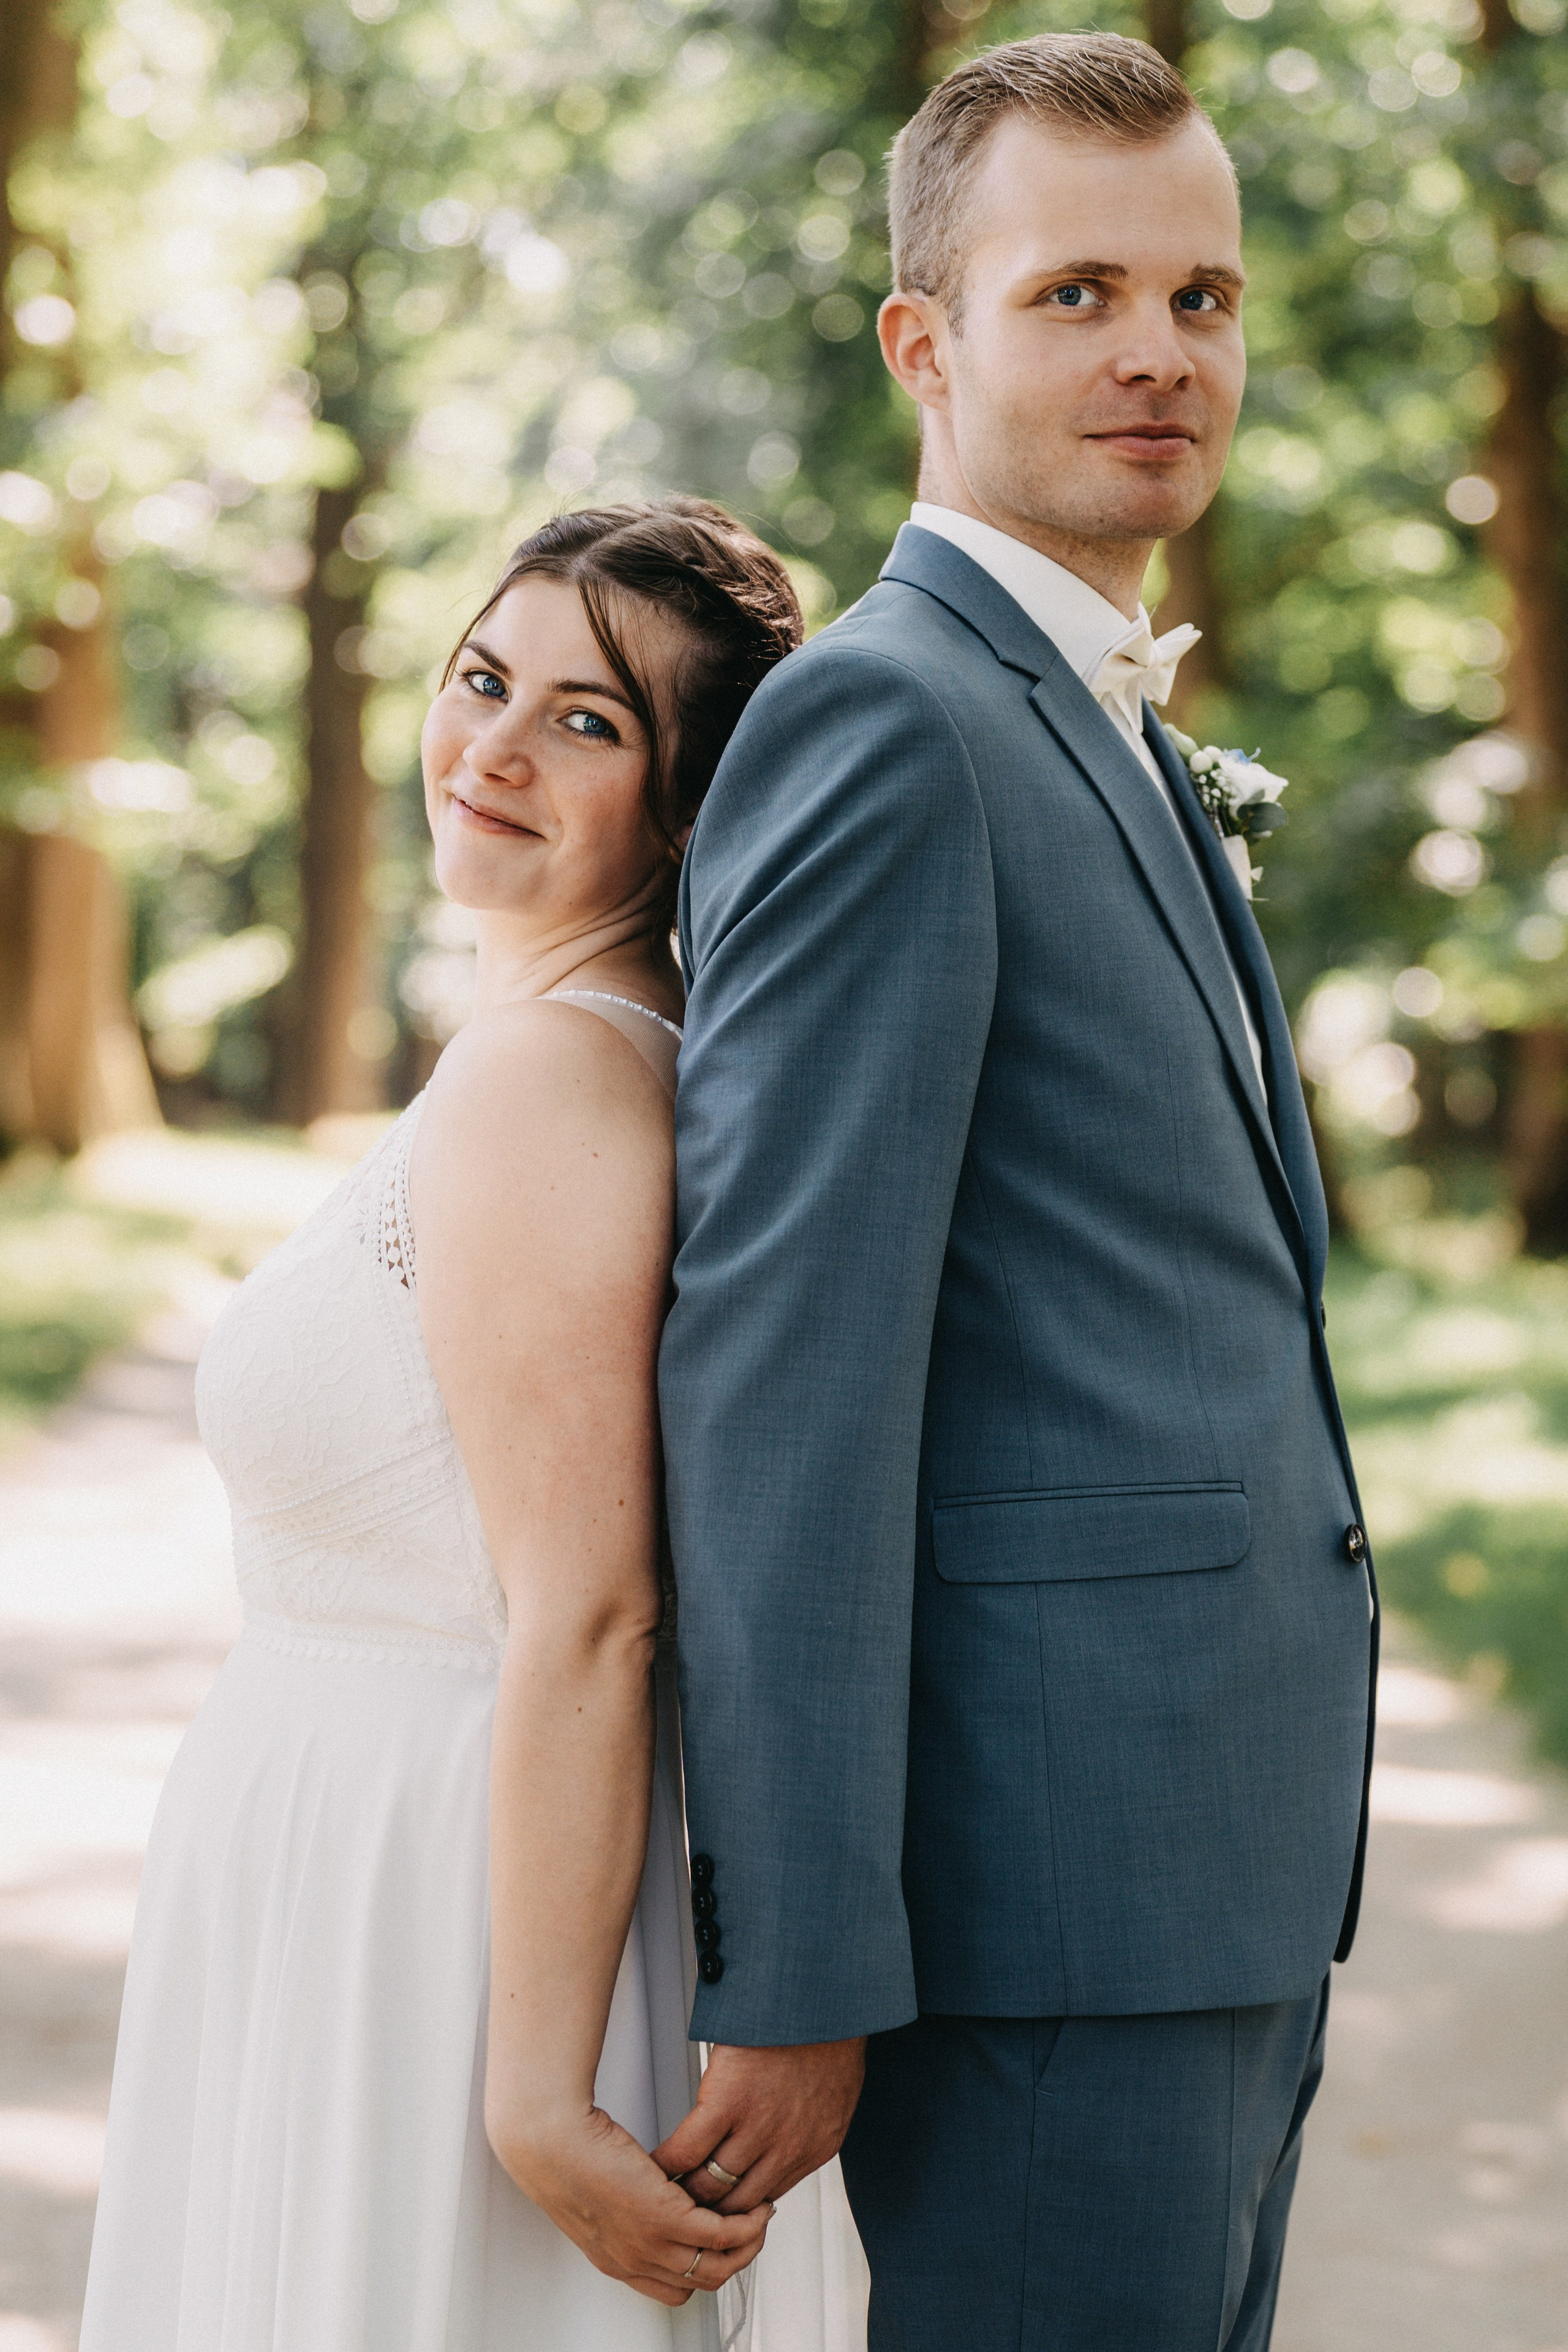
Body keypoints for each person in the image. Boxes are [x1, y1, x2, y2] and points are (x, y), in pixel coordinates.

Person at [655, 34, 1376, 2351]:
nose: (1163, 350)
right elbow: (786, 1380)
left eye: (1206, 295)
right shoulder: (896, 720)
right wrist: (806, 1957)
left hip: (1213, 1873)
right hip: (1048, 1907)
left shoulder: (1097, 718)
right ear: (924, 341)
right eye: (1076, 291)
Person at [79, 498, 867, 2351]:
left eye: (590, 723)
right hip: (364, 1869)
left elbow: (591, 1607)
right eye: (484, 680)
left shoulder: (552, 1077)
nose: (495, 749)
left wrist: (528, 2092)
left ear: (688, 812)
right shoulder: (581, 1044)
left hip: (435, 1910)